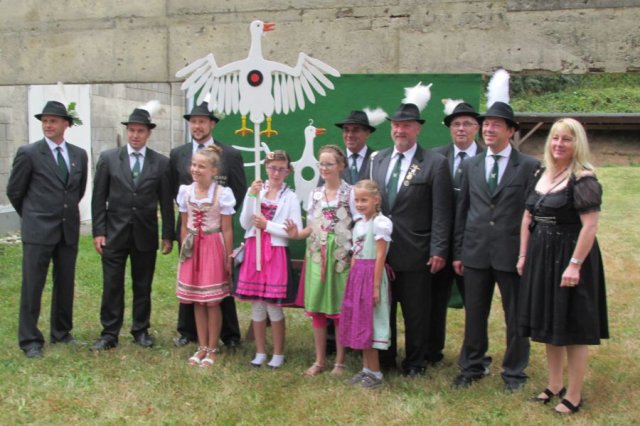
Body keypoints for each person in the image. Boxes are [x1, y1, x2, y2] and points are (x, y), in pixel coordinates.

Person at [517, 118, 608, 414]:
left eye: (567, 139)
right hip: (542, 254)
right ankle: (554, 384)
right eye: (555, 138)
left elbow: (590, 226)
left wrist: (574, 265)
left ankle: (575, 394)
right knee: (548, 321)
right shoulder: (541, 172)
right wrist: (523, 255)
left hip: (570, 255)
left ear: (577, 143)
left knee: (572, 325)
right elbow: (528, 217)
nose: (559, 144)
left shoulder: (583, 179)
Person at [452, 101, 539, 391]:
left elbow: (532, 215)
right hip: (475, 251)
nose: (489, 129)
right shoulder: (471, 164)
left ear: (511, 131)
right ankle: (472, 366)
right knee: (475, 314)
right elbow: (463, 209)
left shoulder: (528, 166)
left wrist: (527, 253)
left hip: (511, 254)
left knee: (516, 317)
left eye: (496, 125)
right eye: (486, 124)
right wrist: (458, 251)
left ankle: (514, 372)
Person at [369, 99, 453, 377]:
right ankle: (386, 356)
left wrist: (438, 248)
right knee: (384, 307)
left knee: (416, 311)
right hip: (382, 251)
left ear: (418, 129)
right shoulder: (378, 159)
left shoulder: (435, 163)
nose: (400, 130)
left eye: (406, 125)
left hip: (417, 250)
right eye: (396, 125)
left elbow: (442, 210)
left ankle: (416, 361)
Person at [90, 102, 174, 351]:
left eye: (140, 131)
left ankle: (140, 330)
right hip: (114, 233)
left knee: (143, 285)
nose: (135, 135)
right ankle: (109, 333)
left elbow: (166, 201)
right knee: (112, 284)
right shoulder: (109, 159)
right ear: (127, 132)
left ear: (149, 133)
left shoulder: (161, 163)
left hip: (145, 233)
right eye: (132, 130)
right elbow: (98, 198)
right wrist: (99, 231)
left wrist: (167, 235)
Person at [7, 100, 88, 358]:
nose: (48, 125)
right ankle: (30, 340)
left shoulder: (78, 155)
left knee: (65, 283)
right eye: (44, 121)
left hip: (67, 229)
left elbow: (77, 191)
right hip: (38, 231)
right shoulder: (29, 153)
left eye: (53, 121)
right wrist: (33, 215)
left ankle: (61, 333)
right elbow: (15, 191)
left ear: (66, 124)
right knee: (33, 285)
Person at [170, 101, 247, 349]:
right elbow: (172, 192)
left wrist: (219, 217)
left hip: (215, 231)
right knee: (192, 284)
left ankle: (229, 334)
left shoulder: (230, 154)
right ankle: (188, 332)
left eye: (202, 121)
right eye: (193, 121)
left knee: (218, 288)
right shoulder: (178, 153)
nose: (197, 126)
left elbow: (240, 190)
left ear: (212, 124)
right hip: (191, 231)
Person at [286, 145, 358, 376]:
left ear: (341, 166)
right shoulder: (315, 194)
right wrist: (297, 234)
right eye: (321, 164)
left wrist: (355, 253)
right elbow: (312, 226)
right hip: (317, 255)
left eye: (329, 164)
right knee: (317, 307)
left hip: (340, 257)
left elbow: (358, 226)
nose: (324, 168)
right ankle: (319, 360)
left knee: (339, 309)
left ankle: (340, 361)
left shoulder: (351, 193)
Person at [234, 150, 302, 369]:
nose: (276, 173)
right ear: (266, 168)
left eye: (281, 169)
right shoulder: (256, 191)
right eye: (273, 168)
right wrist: (251, 196)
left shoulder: (290, 197)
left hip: (275, 253)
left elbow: (294, 230)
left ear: (288, 171)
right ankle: (260, 351)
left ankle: (278, 353)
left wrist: (268, 225)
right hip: (254, 250)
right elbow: (245, 223)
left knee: (273, 306)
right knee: (257, 305)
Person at [427, 101, 483, 365]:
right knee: (434, 302)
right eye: (456, 124)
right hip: (439, 243)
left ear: (477, 127)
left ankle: (473, 357)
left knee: (475, 304)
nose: (461, 129)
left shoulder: (487, 158)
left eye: (467, 124)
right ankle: (432, 351)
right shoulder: (435, 157)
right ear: (450, 129)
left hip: (473, 245)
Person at [176, 145, 235, 367]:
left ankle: (212, 348)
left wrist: (228, 256)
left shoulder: (222, 194)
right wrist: (185, 251)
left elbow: (227, 229)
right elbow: (184, 225)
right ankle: (201, 346)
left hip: (212, 247)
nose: (195, 169)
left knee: (211, 301)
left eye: (201, 166)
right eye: (193, 165)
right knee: (197, 300)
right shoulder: (186, 192)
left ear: (213, 171)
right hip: (193, 248)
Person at [339, 180, 393, 389]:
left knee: (372, 321)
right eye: (357, 200)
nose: (360, 204)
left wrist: (375, 286)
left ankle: (376, 374)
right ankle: (366, 369)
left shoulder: (381, 223)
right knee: (360, 319)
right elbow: (355, 254)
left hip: (372, 274)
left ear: (376, 200)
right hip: (358, 276)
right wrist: (353, 279)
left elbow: (380, 255)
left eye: (364, 200)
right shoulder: (359, 223)